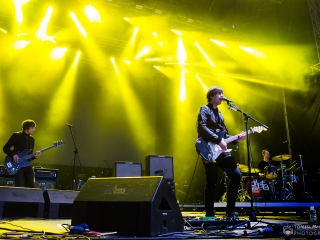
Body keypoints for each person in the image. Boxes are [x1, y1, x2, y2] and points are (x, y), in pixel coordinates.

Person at [197, 86, 245, 220]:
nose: (222, 95)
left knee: (236, 175)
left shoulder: (221, 114)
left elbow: (225, 135)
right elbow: (201, 127)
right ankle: (210, 214)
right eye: (219, 93)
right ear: (211, 96)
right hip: (208, 149)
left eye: (222, 93)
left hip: (222, 151)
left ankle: (230, 212)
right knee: (212, 182)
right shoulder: (204, 109)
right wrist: (218, 140)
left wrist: (236, 139)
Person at [3, 119, 41, 187]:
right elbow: (5, 148)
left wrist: (35, 157)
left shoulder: (32, 139)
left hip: (27, 165)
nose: (34, 129)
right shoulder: (16, 136)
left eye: (34, 127)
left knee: (31, 185)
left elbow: (29, 156)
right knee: (19, 185)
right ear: (26, 128)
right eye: (32, 127)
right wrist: (13, 154)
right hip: (17, 164)